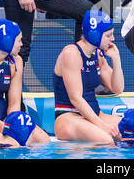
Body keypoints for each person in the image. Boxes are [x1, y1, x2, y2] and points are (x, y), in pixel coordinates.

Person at [53, 10, 124, 144]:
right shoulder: (71, 53)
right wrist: (102, 126)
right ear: (94, 35)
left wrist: (116, 58)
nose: (113, 39)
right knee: (105, 139)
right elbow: (76, 99)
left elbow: (117, 88)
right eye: (108, 35)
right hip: (69, 118)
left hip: (95, 115)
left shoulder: (98, 55)